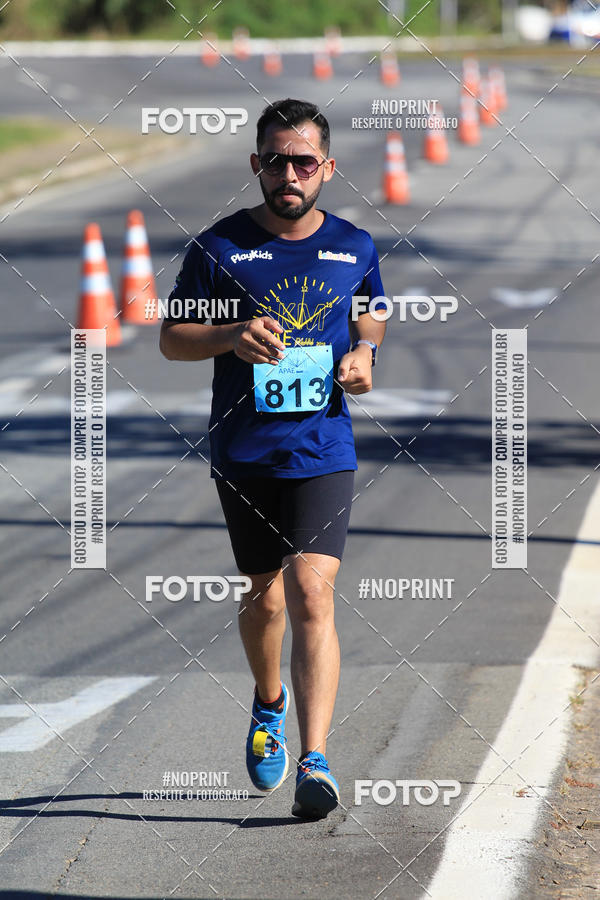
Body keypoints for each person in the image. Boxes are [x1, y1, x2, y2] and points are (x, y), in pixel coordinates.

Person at [160, 97, 385, 819]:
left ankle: (315, 759)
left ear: (327, 167)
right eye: (277, 161)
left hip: (324, 446)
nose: (291, 174)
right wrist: (229, 337)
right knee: (265, 595)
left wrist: (365, 350)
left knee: (312, 591)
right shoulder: (218, 249)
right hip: (245, 449)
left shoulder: (355, 245)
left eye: (305, 161)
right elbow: (172, 339)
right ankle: (268, 705)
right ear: (257, 165)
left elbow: (372, 309)